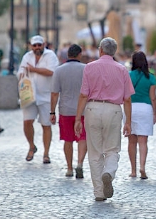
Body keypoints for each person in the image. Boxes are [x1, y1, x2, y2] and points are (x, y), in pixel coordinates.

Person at [74, 37, 134, 201]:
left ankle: (99, 192)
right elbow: (128, 99)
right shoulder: (122, 69)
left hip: (93, 108)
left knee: (94, 152)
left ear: (100, 50)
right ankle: (109, 172)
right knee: (112, 149)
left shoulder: (89, 67)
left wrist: (78, 118)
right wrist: (128, 121)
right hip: (114, 110)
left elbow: (83, 95)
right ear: (114, 51)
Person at [18, 35, 59, 164]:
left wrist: (33, 69)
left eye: (39, 45)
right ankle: (31, 146)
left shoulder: (50, 55)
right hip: (29, 95)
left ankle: (46, 154)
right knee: (27, 122)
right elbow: (20, 72)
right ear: (31, 46)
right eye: (34, 45)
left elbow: (51, 71)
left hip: (46, 95)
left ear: (44, 44)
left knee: (46, 125)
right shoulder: (27, 56)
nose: (37, 47)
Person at [50, 44, 87, 178]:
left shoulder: (59, 70)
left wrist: (52, 112)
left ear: (68, 55)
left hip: (65, 110)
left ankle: (69, 168)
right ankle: (80, 164)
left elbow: (54, 93)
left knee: (68, 139)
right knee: (83, 137)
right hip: (82, 110)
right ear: (79, 54)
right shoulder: (86, 69)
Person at [126, 51, 156, 179]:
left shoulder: (128, 75)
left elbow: (126, 95)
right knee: (143, 141)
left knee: (131, 141)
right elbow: (153, 97)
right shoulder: (151, 77)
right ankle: (142, 168)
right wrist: (155, 113)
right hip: (146, 108)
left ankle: (133, 170)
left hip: (131, 108)